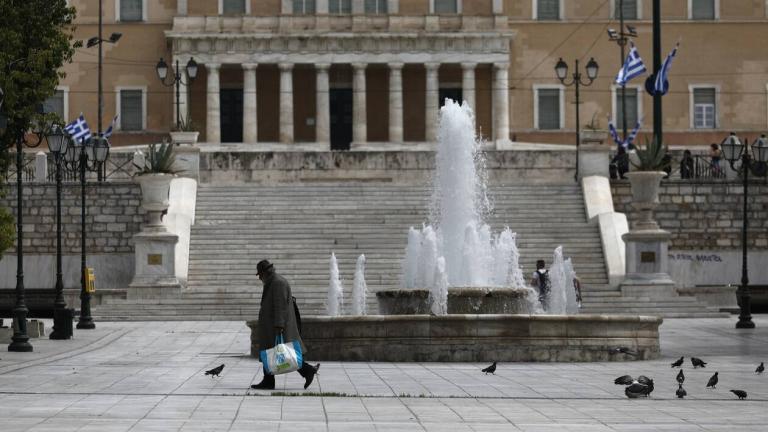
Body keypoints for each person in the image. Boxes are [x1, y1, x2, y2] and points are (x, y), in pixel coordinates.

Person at [251, 259, 320, 390]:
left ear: (266, 272)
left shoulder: (277, 283)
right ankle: (269, 380)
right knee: (272, 353)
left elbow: (280, 306)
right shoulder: (272, 282)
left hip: (275, 327)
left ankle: (307, 370)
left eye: (260, 274)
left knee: (283, 354)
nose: (259, 277)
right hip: (271, 326)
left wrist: (279, 325)